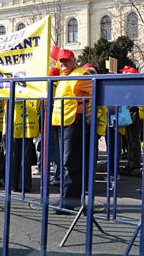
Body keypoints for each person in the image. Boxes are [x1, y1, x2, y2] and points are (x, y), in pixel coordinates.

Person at [52, 49, 91, 211]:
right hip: (65, 123)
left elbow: (97, 93)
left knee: (70, 164)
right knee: (68, 163)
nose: (63, 63)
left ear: (74, 60)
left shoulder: (80, 75)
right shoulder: (65, 77)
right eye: (61, 61)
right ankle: (69, 200)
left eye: (66, 60)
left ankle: (68, 203)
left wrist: (89, 111)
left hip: (74, 123)